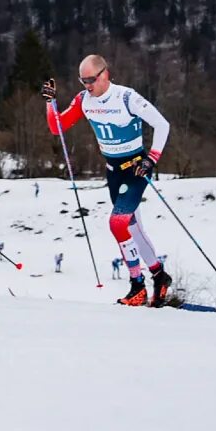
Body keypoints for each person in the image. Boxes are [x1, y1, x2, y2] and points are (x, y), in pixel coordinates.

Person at [42, 56, 173, 307]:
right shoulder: (83, 100)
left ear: (105, 74)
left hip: (135, 170)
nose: (88, 85)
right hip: (113, 172)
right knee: (133, 229)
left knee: (117, 223)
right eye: (83, 80)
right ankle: (160, 275)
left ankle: (137, 286)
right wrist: (50, 103)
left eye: (91, 79)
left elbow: (162, 124)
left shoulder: (126, 97)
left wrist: (152, 159)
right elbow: (57, 127)